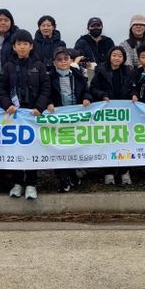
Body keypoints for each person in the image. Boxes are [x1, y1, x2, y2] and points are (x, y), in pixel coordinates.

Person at [0, 29, 50, 200]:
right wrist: (7, 104)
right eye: (18, 44)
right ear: (13, 47)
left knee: (32, 148)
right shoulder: (8, 66)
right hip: (15, 115)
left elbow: (45, 88)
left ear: (31, 46)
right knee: (16, 148)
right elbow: (1, 88)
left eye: (25, 44)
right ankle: (17, 183)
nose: (22, 47)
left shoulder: (39, 66)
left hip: (32, 115)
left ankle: (31, 184)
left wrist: (39, 107)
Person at [46, 47, 93, 192]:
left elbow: (86, 91)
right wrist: (48, 103)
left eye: (66, 58)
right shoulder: (49, 78)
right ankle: (63, 179)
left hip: (75, 118)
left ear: (71, 60)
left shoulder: (78, 75)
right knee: (57, 149)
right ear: (54, 63)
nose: (63, 62)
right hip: (57, 118)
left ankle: (73, 175)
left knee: (72, 148)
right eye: (59, 59)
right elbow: (44, 93)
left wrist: (86, 98)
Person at [90, 46, 134, 186]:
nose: (117, 58)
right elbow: (93, 88)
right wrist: (102, 95)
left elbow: (133, 87)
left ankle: (124, 171)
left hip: (123, 114)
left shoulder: (128, 71)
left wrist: (134, 94)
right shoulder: (101, 71)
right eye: (114, 55)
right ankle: (108, 172)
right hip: (107, 113)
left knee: (124, 142)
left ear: (124, 58)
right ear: (109, 56)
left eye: (120, 56)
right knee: (108, 142)